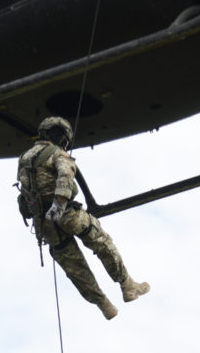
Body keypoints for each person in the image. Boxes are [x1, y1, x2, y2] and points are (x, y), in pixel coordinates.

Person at [17, 117, 150, 319]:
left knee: (75, 267)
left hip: (44, 224)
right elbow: (65, 176)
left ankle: (104, 305)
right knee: (101, 242)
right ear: (62, 136)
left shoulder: (24, 158)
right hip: (66, 215)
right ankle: (127, 286)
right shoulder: (57, 153)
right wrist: (58, 206)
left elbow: (25, 192)